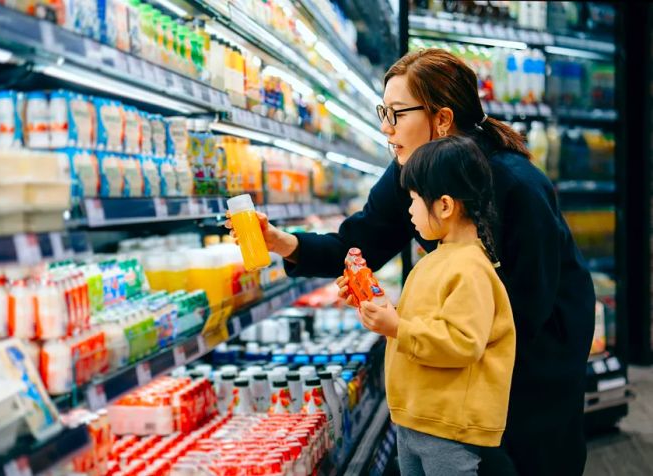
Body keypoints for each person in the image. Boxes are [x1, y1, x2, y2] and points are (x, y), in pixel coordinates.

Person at [226, 49, 595, 476]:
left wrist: (413, 328)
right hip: (467, 343)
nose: (386, 128)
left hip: (539, 353)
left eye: (397, 113)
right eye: (384, 111)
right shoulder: (413, 170)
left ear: (441, 119)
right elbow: (357, 240)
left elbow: (527, 308)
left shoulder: (515, 184)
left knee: (532, 458)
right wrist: (281, 242)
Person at [359, 135, 515, 476]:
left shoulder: (470, 269)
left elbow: (461, 342)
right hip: (416, 416)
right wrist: (381, 308)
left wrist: (397, 327)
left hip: (448, 425)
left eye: (414, 199)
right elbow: (422, 323)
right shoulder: (436, 260)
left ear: (444, 205)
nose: (410, 210)